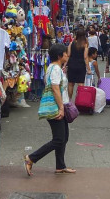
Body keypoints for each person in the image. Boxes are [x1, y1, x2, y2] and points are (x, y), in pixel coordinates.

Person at [24, 44, 76, 175]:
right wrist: (61, 108)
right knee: (59, 139)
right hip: (56, 107)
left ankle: (60, 166)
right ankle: (31, 158)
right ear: (59, 56)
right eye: (65, 53)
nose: (67, 55)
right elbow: (55, 88)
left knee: (63, 137)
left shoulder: (55, 68)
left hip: (60, 105)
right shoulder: (55, 69)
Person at [65, 28, 90, 100]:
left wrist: (64, 65)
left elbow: (68, 55)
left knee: (70, 84)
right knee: (81, 84)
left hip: (71, 65)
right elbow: (85, 57)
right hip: (81, 66)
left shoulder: (71, 43)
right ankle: (79, 100)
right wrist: (88, 69)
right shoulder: (85, 45)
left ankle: (69, 100)